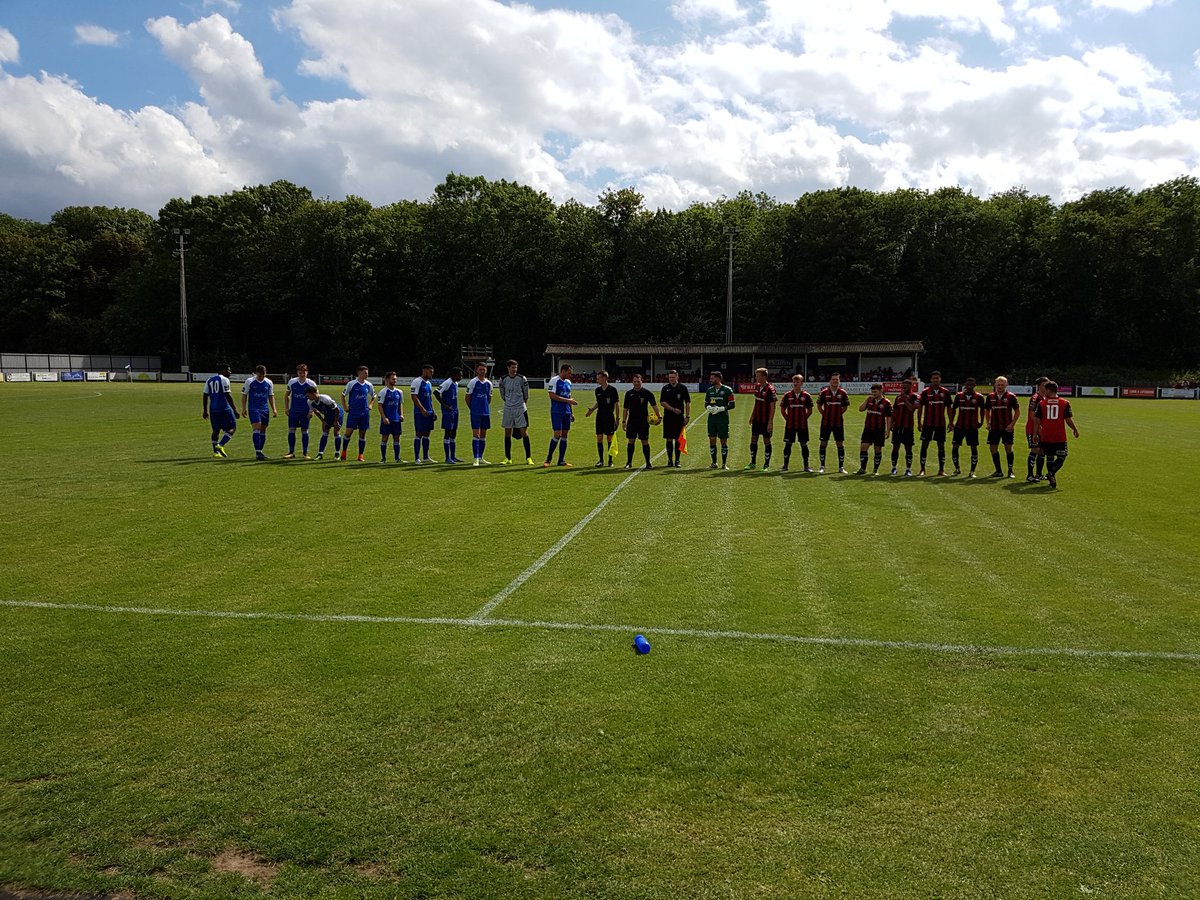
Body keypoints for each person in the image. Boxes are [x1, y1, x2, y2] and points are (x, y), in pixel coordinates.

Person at [1033, 381, 1079, 489]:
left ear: (1049, 390)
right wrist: (1074, 429)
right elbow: (1068, 420)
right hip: (1059, 435)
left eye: (1045, 390)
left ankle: (1051, 480)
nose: (1044, 392)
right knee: (1062, 456)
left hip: (1046, 435)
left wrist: (1035, 434)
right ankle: (1051, 473)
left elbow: (1037, 420)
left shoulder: (1042, 403)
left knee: (1049, 456)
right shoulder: (1065, 403)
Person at [917, 370, 952, 476]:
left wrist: (951, 422)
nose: (935, 380)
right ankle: (922, 469)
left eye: (937, 378)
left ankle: (941, 470)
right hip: (928, 423)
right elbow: (920, 407)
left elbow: (949, 408)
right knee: (924, 445)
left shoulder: (945, 392)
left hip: (940, 424)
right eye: (933, 378)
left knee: (941, 446)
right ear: (931, 379)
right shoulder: (925, 392)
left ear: (940, 379)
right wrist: (919, 422)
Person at [985, 375, 1021, 478]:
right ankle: (998, 471)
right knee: (993, 448)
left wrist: (1012, 424)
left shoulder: (1011, 396)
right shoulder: (990, 397)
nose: (1000, 386)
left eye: (1002, 385)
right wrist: (988, 423)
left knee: (1008, 448)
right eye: (998, 385)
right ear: (995, 385)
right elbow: (987, 410)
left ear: (1006, 385)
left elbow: (1017, 412)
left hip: (1007, 427)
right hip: (994, 427)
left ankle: (1010, 471)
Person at [499, 359, 534, 465]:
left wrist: (522, 404)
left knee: (524, 432)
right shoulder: (503, 379)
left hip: (520, 408)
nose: (514, 369)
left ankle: (528, 457)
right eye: (512, 367)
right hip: (508, 409)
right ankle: (508, 458)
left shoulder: (522, 378)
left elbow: (526, 394)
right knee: (507, 432)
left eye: (516, 367)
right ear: (508, 367)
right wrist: (509, 402)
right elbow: (502, 394)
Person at [621, 373, 659, 469]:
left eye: (638, 381)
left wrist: (659, 417)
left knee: (645, 441)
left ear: (642, 381)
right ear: (632, 382)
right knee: (631, 441)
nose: (636, 383)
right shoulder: (628, 394)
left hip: (643, 422)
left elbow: (654, 406)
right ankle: (629, 462)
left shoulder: (647, 393)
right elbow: (625, 409)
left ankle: (648, 463)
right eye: (635, 381)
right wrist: (624, 421)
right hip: (632, 421)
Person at [950, 377, 986, 477]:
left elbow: (982, 409)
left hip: (972, 427)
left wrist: (981, 421)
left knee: (973, 448)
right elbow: (954, 409)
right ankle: (957, 469)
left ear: (975, 385)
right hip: (959, 426)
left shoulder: (979, 397)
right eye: (968, 384)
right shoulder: (959, 396)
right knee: (955, 446)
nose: (969, 386)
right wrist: (951, 422)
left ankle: (972, 471)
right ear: (965, 385)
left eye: (971, 384)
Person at [202, 363, 239, 457]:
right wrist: (235, 409)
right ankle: (221, 445)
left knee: (215, 430)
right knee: (232, 428)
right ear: (223, 370)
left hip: (213, 409)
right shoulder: (225, 379)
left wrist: (205, 410)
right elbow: (227, 395)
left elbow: (205, 395)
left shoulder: (209, 380)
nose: (230, 372)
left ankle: (216, 452)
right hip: (224, 408)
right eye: (228, 370)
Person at [545, 363, 578, 467]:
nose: (570, 375)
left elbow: (569, 397)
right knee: (557, 434)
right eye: (569, 373)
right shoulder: (554, 380)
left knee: (565, 434)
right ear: (563, 371)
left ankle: (561, 460)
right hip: (556, 411)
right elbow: (552, 395)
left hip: (566, 412)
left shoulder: (568, 382)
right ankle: (548, 459)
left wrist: (571, 412)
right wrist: (567, 401)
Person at [241, 365, 277, 460]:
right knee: (257, 427)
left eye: (263, 375)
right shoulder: (249, 381)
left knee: (263, 429)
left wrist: (274, 409)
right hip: (254, 408)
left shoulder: (269, 382)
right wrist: (244, 408)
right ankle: (258, 452)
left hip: (264, 409)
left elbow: (271, 396)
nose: (261, 377)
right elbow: (244, 395)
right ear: (256, 373)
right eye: (260, 375)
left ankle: (260, 451)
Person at [779, 373, 813, 472]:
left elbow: (810, 410)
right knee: (788, 444)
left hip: (802, 425)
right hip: (790, 425)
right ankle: (785, 465)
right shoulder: (787, 395)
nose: (795, 384)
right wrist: (788, 418)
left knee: (804, 444)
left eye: (797, 382)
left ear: (802, 383)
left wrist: (803, 418)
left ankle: (806, 466)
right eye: (794, 382)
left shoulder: (806, 395)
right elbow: (782, 409)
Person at [816, 372, 850, 473]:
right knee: (823, 443)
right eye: (833, 379)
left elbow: (845, 407)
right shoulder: (824, 392)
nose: (835, 381)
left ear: (839, 381)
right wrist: (825, 414)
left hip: (838, 423)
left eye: (837, 379)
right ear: (830, 381)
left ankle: (841, 467)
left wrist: (838, 414)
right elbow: (819, 406)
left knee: (840, 444)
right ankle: (822, 466)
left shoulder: (843, 393)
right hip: (826, 423)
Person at [585, 370, 620, 467]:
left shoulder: (613, 390)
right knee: (599, 438)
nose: (597, 380)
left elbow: (617, 405)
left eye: (599, 378)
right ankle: (601, 460)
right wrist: (592, 409)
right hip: (599, 417)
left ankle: (610, 461)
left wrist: (617, 419)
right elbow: (598, 402)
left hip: (609, 417)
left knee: (609, 439)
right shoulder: (597, 390)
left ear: (604, 378)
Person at [341, 365, 376, 462]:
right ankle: (344, 452)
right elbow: (343, 395)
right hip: (353, 412)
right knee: (348, 433)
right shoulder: (351, 384)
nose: (367, 374)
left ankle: (360, 455)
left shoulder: (369, 385)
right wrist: (345, 407)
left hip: (364, 412)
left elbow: (374, 395)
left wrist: (370, 405)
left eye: (367, 373)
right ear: (359, 373)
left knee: (362, 434)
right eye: (365, 373)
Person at [745, 367, 777, 471]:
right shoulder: (757, 386)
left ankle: (766, 465)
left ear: (764, 376)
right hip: (757, 419)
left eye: (758, 376)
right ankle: (752, 463)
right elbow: (756, 402)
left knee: (766, 440)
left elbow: (773, 407)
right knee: (753, 439)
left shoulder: (770, 389)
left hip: (765, 420)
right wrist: (752, 416)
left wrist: (770, 422)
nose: (756, 377)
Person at [283, 363, 317, 460]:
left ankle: (305, 453)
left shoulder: (311, 384)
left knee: (305, 431)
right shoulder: (292, 382)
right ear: (297, 373)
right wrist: (287, 408)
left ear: (307, 372)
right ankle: (291, 452)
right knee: (291, 430)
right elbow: (287, 395)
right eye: (300, 372)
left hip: (305, 411)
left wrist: (311, 410)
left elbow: (315, 398)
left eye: (304, 372)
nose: (302, 374)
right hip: (294, 411)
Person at [857, 383, 892, 474]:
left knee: (877, 449)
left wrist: (888, 431)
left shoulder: (886, 403)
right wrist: (866, 400)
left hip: (879, 429)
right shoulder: (869, 400)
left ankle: (875, 470)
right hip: (868, 428)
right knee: (863, 447)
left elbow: (889, 417)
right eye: (872, 392)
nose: (873, 393)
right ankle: (862, 469)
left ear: (881, 391)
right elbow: (860, 409)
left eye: (875, 392)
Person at [703, 370, 735, 469]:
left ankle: (724, 464)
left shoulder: (727, 390)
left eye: (712, 378)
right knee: (712, 440)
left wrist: (722, 408)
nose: (710, 380)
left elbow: (732, 404)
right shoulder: (709, 390)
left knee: (723, 441)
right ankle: (714, 463)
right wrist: (708, 407)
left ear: (718, 378)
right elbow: (706, 403)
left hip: (723, 419)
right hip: (712, 419)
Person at [659, 369, 690, 468]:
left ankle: (677, 460)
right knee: (668, 439)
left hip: (679, 418)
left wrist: (687, 416)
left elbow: (687, 402)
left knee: (677, 439)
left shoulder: (683, 388)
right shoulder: (665, 388)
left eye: (673, 377)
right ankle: (669, 460)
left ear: (677, 377)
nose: (671, 379)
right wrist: (673, 409)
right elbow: (662, 402)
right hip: (668, 417)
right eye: (670, 377)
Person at [304, 385, 344, 460]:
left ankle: (337, 453)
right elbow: (316, 411)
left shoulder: (325, 399)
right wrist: (323, 421)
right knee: (325, 432)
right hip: (328, 415)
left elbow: (336, 410)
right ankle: (320, 454)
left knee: (336, 433)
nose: (307, 397)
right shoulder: (310, 401)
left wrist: (335, 422)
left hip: (337, 414)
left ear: (313, 394)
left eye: (308, 396)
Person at [465, 362, 493, 466]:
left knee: (483, 435)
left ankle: (481, 457)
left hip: (485, 413)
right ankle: (475, 458)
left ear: (486, 370)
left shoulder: (489, 384)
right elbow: (467, 398)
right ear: (477, 370)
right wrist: (473, 408)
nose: (482, 371)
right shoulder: (473, 382)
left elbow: (489, 398)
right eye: (480, 369)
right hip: (475, 413)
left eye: (483, 369)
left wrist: (484, 407)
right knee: (476, 435)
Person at [890, 377, 918, 476]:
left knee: (908, 448)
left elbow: (911, 409)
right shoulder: (898, 397)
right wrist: (891, 423)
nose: (903, 388)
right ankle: (893, 467)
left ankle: (908, 469)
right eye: (903, 386)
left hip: (908, 427)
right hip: (897, 426)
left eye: (906, 386)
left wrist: (905, 399)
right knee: (895, 447)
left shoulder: (914, 397)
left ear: (911, 386)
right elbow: (894, 411)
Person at [435, 367, 463, 463]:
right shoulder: (447, 382)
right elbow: (436, 392)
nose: (461, 376)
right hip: (448, 412)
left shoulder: (456, 383)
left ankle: (453, 456)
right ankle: (447, 458)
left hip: (455, 411)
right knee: (447, 433)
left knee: (453, 433)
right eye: (460, 374)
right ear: (454, 375)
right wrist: (444, 405)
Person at [410, 364, 436, 464]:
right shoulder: (417, 381)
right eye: (430, 372)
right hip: (420, 412)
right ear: (425, 371)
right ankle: (417, 458)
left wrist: (433, 411)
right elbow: (414, 396)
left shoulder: (429, 383)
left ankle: (425, 457)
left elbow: (430, 398)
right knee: (419, 434)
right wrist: (422, 409)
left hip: (429, 412)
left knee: (427, 434)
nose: (432, 374)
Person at [1026, 376, 1050, 482]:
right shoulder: (1035, 398)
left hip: (1042, 429)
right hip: (1033, 429)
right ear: (1039, 386)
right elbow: (1032, 414)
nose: (1046, 387)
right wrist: (1038, 426)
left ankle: (1039, 474)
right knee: (1035, 449)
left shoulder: (1046, 397)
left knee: (1042, 451)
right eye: (1044, 385)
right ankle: (1030, 475)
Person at [378, 371, 405, 463]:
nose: (395, 380)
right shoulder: (383, 392)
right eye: (393, 379)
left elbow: (400, 404)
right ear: (387, 379)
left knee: (397, 439)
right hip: (387, 420)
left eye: (396, 379)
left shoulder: (399, 392)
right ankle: (383, 459)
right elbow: (380, 406)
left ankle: (397, 458)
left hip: (396, 419)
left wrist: (401, 414)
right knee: (384, 438)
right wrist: (384, 417)